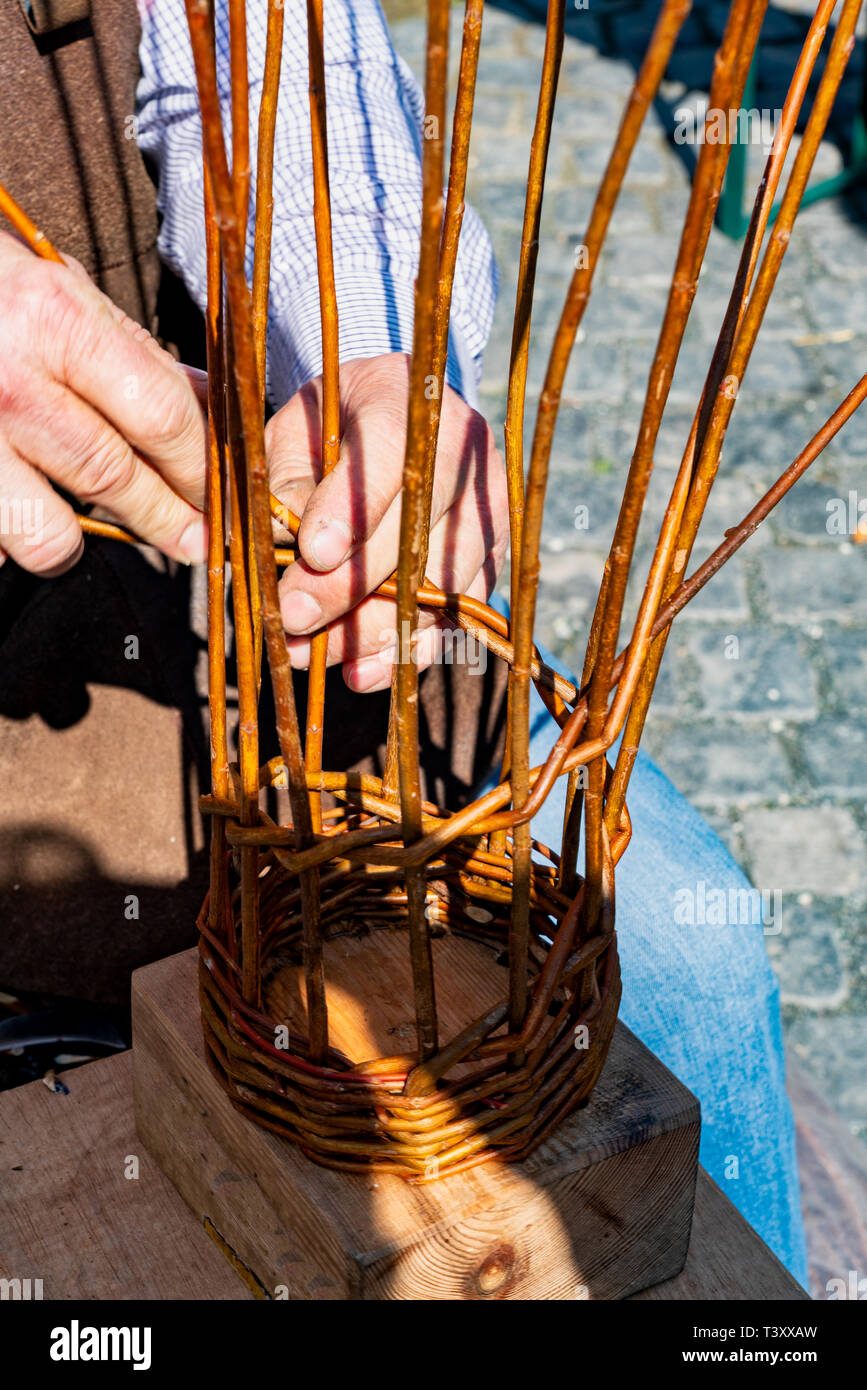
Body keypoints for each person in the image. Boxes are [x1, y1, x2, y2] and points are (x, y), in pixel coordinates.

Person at [0, 0, 808, 1285]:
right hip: (42, 758)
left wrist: (376, 356)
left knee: (693, 951)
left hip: (307, 623)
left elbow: (259, 64)